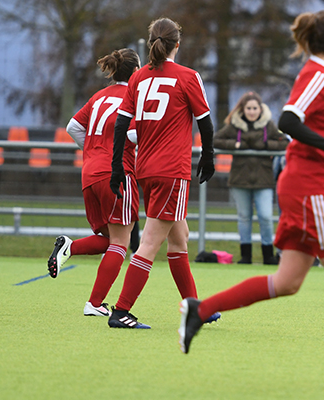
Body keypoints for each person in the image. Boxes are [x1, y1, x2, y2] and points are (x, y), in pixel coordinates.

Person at [177, 9, 324, 387]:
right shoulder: (319, 72)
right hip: (310, 185)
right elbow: (290, 121)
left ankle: (199, 310)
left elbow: (313, 125)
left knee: (289, 280)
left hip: (310, 181)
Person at [109, 17, 220, 328]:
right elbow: (205, 123)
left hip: (145, 168)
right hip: (172, 170)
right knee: (150, 242)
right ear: (178, 44)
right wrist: (208, 156)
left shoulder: (138, 78)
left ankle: (195, 307)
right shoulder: (188, 76)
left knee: (179, 238)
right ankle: (121, 310)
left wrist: (118, 165)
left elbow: (121, 125)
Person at [47, 48, 141, 317]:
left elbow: (73, 127)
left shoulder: (99, 96)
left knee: (108, 238)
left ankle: (70, 247)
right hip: (117, 173)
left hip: (89, 173)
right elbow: (133, 134)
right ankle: (95, 303)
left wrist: (91, 152)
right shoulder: (133, 98)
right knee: (121, 243)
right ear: (136, 72)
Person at [214, 91, 289, 265]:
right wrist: (235, 145)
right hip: (240, 178)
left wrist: (266, 145)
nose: (252, 111)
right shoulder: (234, 125)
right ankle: (245, 256)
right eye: (249, 108)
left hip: (263, 179)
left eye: (255, 108)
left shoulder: (268, 125)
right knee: (244, 217)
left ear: (260, 109)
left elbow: (284, 142)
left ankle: (268, 256)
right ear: (243, 109)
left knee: (265, 216)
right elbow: (216, 140)